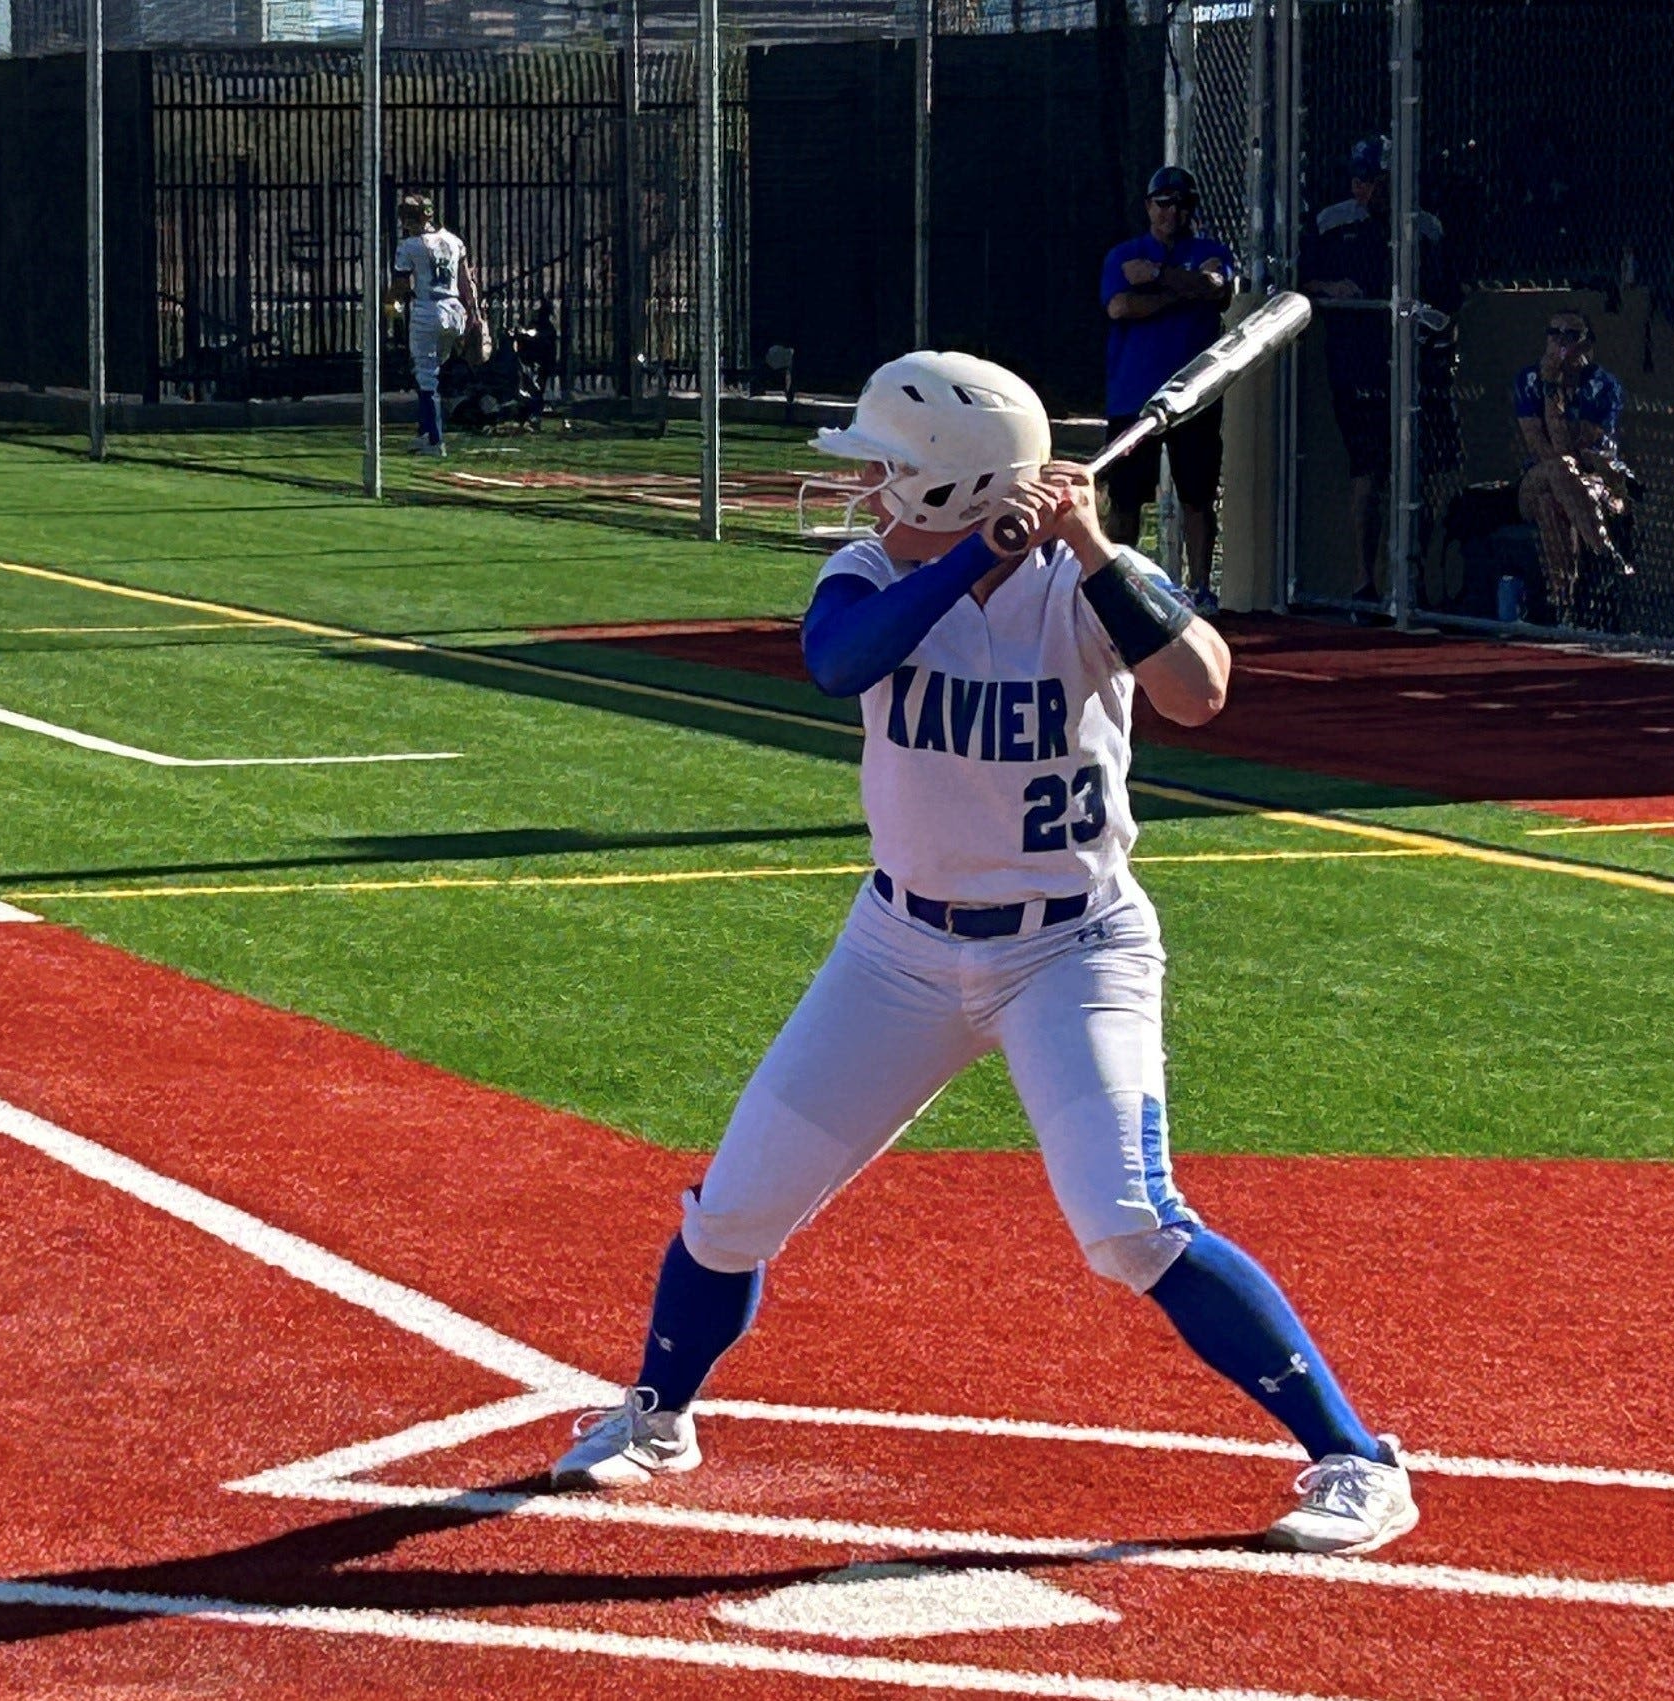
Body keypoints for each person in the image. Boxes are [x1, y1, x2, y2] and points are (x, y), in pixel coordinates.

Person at [546, 349, 1419, 1560]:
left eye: (889, 471)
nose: (864, 490)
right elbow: (838, 662)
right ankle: (657, 1414)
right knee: (731, 1208)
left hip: (1071, 946)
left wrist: (1091, 550)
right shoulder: (863, 574)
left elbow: (1200, 691)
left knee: (1127, 1225)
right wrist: (976, 556)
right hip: (896, 946)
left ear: (958, 484)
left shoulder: (1084, 586)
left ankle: (1354, 1461)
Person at [1306, 137, 1444, 603]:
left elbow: (1449, 295)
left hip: (1416, 367)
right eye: (1362, 180)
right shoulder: (1331, 223)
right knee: (1367, 472)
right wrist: (1330, 288)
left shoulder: (1425, 227)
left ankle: (1414, 580)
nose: (1369, 190)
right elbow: (1301, 280)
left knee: (1422, 475)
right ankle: (1365, 581)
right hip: (1356, 364)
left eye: (1380, 181)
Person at [1101, 164, 1238, 608]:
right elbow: (1121, 307)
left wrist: (1159, 279)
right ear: (1148, 207)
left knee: (1197, 494)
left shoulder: (1209, 250)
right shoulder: (1123, 254)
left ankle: (1198, 588)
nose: (1172, 213)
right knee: (1125, 500)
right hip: (1133, 396)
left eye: (1181, 204)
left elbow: (1216, 285)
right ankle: (1120, 589)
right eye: (1163, 204)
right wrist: (1185, 292)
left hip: (1194, 395)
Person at [1514, 310, 1632, 628]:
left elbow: (1576, 443)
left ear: (1587, 345)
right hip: (1539, 475)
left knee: (1549, 503)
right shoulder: (1529, 379)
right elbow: (1540, 446)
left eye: (1571, 335)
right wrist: (1551, 386)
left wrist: (1554, 392)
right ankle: (1604, 554)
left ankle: (1563, 605)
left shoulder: (1603, 385)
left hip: (1594, 481)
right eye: (1555, 333)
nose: (1561, 343)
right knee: (1556, 470)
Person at [387, 194, 479, 457]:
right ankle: (425, 431)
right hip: (454, 310)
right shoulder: (454, 241)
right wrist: (473, 313)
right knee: (434, 368)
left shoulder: (410, 246)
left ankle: (435, 439)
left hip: (428, 309)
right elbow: (466, 282)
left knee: (426, 374)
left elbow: (402, 283)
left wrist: (388, 304)